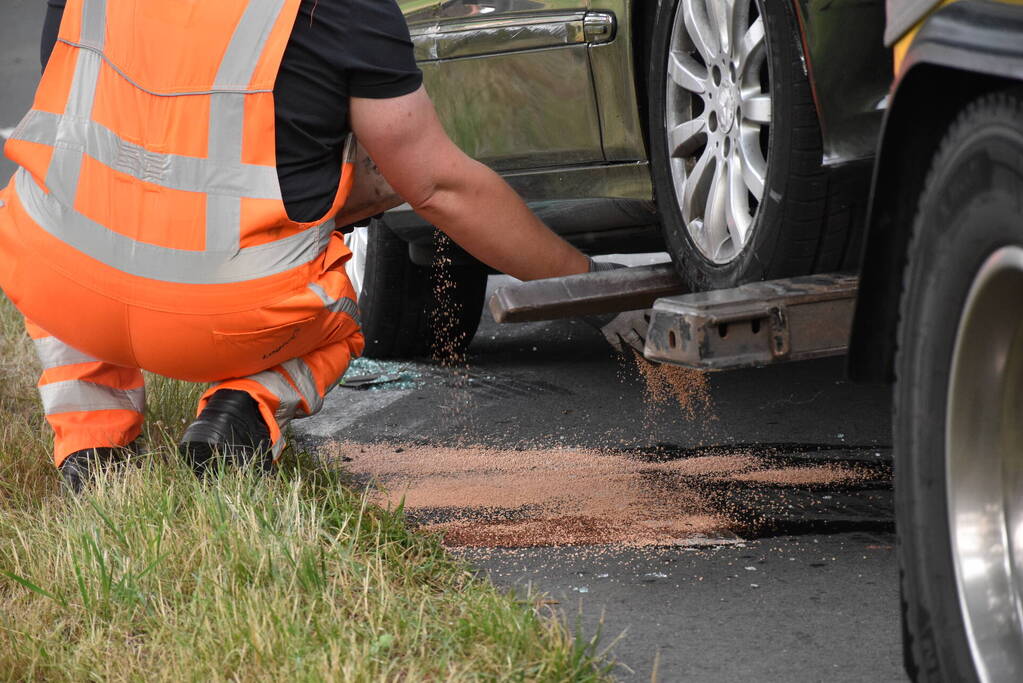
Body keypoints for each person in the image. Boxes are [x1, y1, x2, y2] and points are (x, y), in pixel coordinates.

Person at [0, 0, 646, 491]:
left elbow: (93, 125)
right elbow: (440, 188)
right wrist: (591, 284)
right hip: (221, 317)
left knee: (61, 230)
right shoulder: (345, 10)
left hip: (61, 285)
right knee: (336, 322)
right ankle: (243, 408)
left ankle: (92, 451)